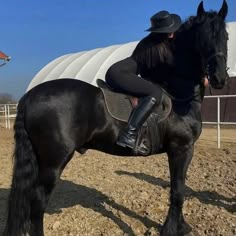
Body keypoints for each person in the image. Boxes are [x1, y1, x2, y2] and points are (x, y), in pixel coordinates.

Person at [105, 11, 182, 154]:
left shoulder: (149, 44)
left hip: (117, 72)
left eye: (172, 30)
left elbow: (148, 75)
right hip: (120, 74)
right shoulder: (157, 49)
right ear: (160, 33)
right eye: (168, 31)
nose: (172, 33)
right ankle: (129, 134)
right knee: (155, 92)